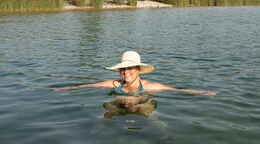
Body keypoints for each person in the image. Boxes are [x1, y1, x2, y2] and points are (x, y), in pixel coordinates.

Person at [54, 51, 216, 95]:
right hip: (119, 105)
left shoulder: (149, 86)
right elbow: (90, 85)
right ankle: (93, 137)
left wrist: (202, 92)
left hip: (141, 106)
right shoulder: (115, 84)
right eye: (123, 69)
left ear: (138, 69)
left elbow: (175, 90)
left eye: (130, 68)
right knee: (105, 115)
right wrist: (65, 89)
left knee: (153, 119)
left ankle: (163, 139)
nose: (126, 72)